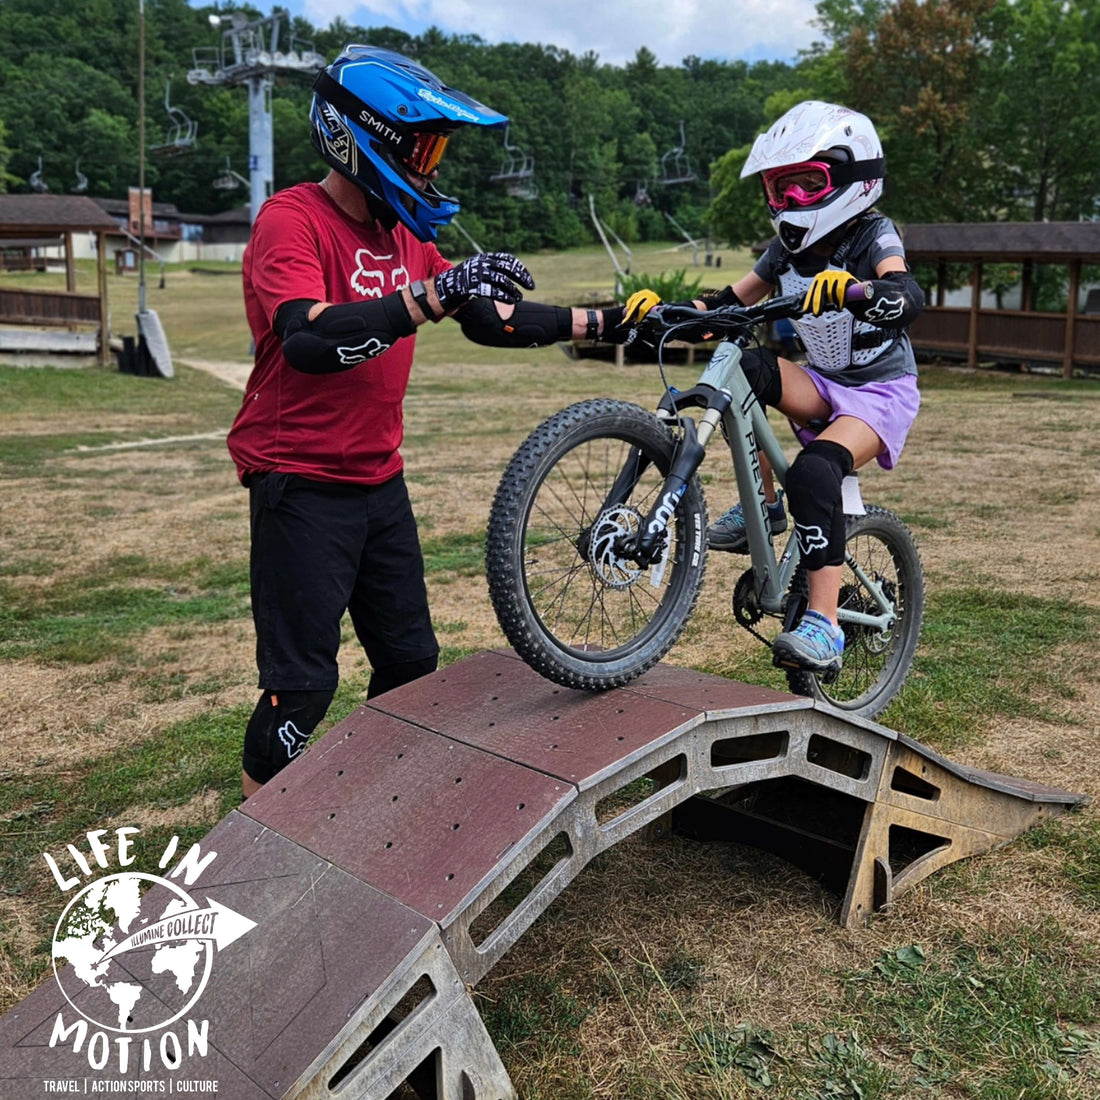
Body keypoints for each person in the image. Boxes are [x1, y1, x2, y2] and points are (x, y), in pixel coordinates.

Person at [228, 44, 647, 798]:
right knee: (302, 689)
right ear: (365, 139)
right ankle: (252, 842)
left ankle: (377, 807)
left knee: (411, 666)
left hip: (378, 481)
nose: (431, 168)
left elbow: (491, 317)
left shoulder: (402, 234)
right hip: (301, 483)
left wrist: (613, 323)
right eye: (422, 148)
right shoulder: (292, 220)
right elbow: (310, 337)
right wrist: (432, 295)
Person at [645, 101, 924, 678]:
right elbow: (728, 300)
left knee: (816, 473)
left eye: (807, 184)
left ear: (851, 179)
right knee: (744, 366)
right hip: (823, 383)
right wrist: (668, 311)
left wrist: (857, 289)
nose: (791, 202)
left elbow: (904, 292)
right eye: (780, 188)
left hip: (880, 392)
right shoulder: (786, 251)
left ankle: (824, 625)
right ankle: (767, 510)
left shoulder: (874, 235)